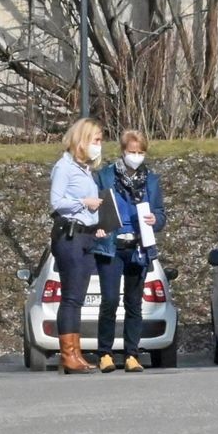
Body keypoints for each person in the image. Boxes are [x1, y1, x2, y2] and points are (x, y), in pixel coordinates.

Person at [93, 130, 167, 373]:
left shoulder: (151, 181)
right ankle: (104, 352)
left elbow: (161, 215)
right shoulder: (105, 177)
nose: (136, 156)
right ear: (123, 151)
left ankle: (131, 354)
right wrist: (99, 227)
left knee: (134, 302)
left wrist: (155, 219)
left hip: (138, 247)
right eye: (132, 152)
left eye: (140, 152)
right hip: (113, 247)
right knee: (110, 300)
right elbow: (96, 209)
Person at [49, 118, 108, 375]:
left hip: (86, 235)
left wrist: (98, 224)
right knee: (71, 297)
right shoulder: (64, 167)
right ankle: (68, 354)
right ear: (82, 140)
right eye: (95, 140)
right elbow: (57, 201)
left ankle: (76, 351)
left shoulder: (85, 170)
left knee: (78, 297)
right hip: (69, 235)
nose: (99, 145)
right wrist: (84, 202)